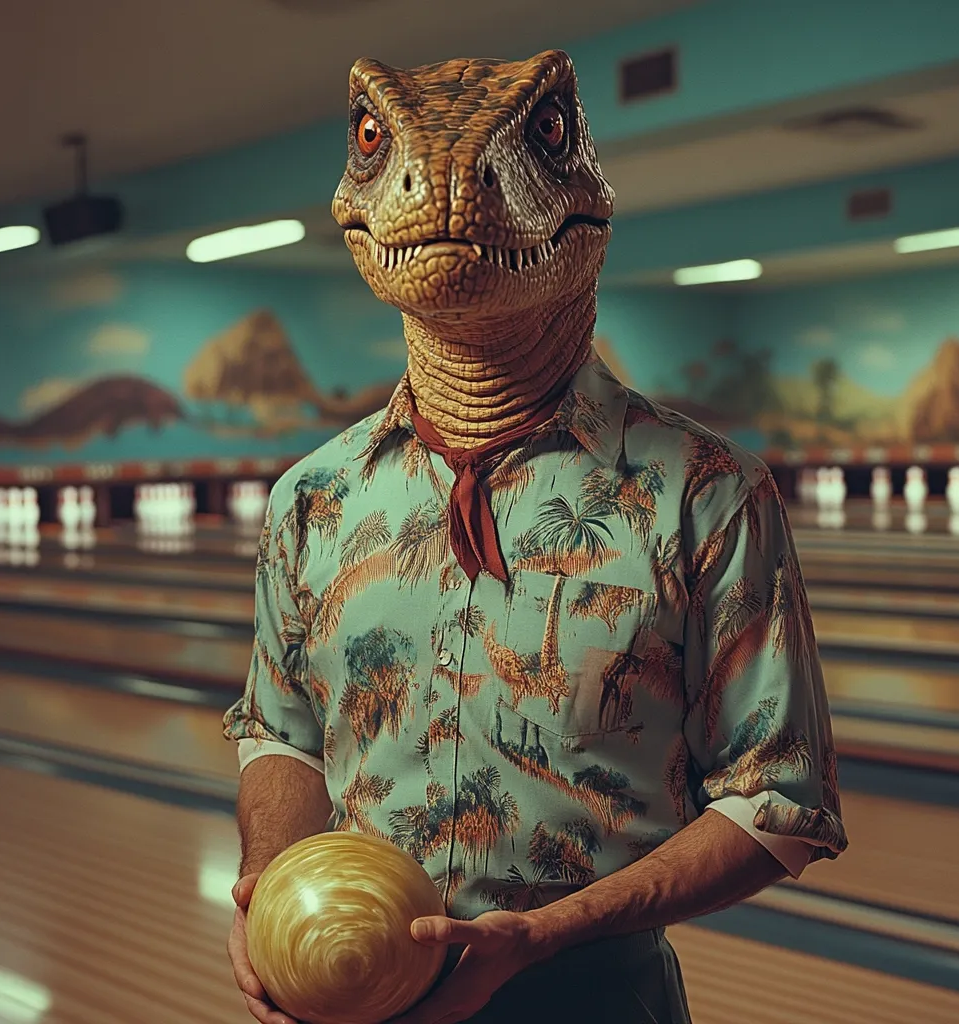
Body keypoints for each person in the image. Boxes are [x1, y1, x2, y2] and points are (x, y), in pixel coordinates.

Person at [224, 48, 846, 1024]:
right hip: (353, 996)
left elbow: (780, 804)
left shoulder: (710, 493)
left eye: (544, 136)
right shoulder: (311, 499)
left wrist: (543, 935)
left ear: (592, 186)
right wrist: (272, 888)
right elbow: (282, 732)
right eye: (376, 142)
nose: (444, 194)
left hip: (598, 994)